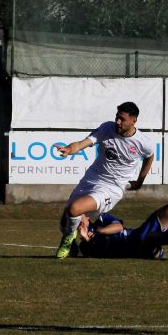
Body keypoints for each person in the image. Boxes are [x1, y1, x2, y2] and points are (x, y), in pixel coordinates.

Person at [54, 102, 155, 258]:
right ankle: (73, 244)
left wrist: (140, 180)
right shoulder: (107, 128)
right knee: (65, 222)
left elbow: (149, 156)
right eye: (117, 117)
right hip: (91, 179)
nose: (118, 122)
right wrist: (69, 149)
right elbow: (82, 144)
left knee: (75, 209)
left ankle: (68, 240)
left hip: (112, 188)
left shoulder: (143, 142)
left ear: (134, 120)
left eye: (122, 119)